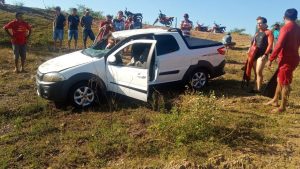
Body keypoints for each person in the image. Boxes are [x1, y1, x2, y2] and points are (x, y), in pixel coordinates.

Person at [265, 8, 300, 113]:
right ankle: (275, 99)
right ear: (295, 17)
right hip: (293, 58)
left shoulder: (285, 28)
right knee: (280, 79)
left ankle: (282, 107)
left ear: (284, 17)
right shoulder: (298, 28)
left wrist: (271, 59)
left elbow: (279, 45)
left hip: (286, 59)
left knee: (284, 82)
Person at [249, 16, 274, 93]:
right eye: (257, 23)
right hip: (255, 54)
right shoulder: (256, 33)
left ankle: (259, 89)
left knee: (259, 71)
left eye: (260, 23)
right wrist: (249, 50)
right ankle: (255, 88)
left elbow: (270, 45)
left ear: (265, 24)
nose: (259, 25)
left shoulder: (268, 32)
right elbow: (253, 44)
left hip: (262, 55)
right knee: (255, 73)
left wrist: (265, 54)